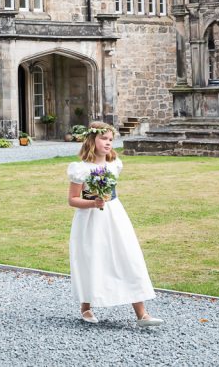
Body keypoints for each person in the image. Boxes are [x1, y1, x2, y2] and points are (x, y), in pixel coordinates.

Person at [67, 121, 163, 327]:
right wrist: (93, 202)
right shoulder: (80, 169)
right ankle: (86, 307)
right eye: (104, 138)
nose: (108, 143)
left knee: (127, 255)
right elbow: (72, 199)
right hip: (90, 219)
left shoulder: (114, 164)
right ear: (92, 140)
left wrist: (105, 200)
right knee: (92, 258)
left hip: (115, 215)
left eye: (111, 139)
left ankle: (142, 314)